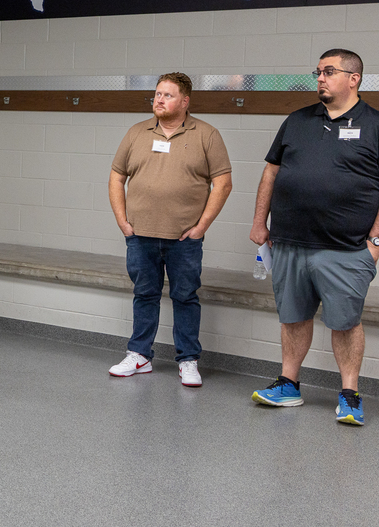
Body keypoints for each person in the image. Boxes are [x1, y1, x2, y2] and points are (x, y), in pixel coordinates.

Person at [250, 48, 377, 426]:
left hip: (347, 249)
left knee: (345, 322)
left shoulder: (374, 124)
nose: (320, 78)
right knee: (293, 317)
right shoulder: (297, 120)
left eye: (329, 71)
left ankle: (350, 395)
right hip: (289, 242)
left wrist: (375, 243)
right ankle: (288, 385)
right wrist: (260, 223)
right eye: (317, 72)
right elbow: (271, 173)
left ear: (354, 78)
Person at [108, 72, 232, 387]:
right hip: (140, 236)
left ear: (185, 101)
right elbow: (116, 176)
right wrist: (123, 221)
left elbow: (223, 183)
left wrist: (202, 225)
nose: (159, 100)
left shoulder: (207, 134)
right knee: (144, 295)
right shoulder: (137, 132)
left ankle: (188, 360)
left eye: (167, 95)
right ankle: (139, 355)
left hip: (184, 239)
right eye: (157, 94)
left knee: (185, 297)